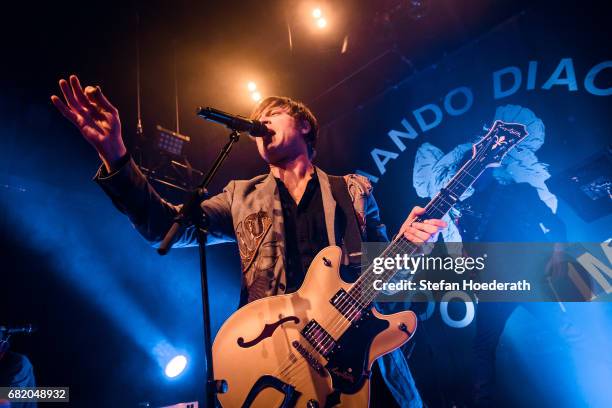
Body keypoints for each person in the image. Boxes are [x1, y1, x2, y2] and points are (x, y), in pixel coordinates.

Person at [51, 74, 447, 407]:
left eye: (271, 114)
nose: (260, 122)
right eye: (256, 120)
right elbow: (165, 227)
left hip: (356, 364)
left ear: (305, 125)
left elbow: (387, 291)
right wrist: (116, 156)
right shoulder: (241, 196)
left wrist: (406, 245)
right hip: (278, 365)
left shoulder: (355, 191)